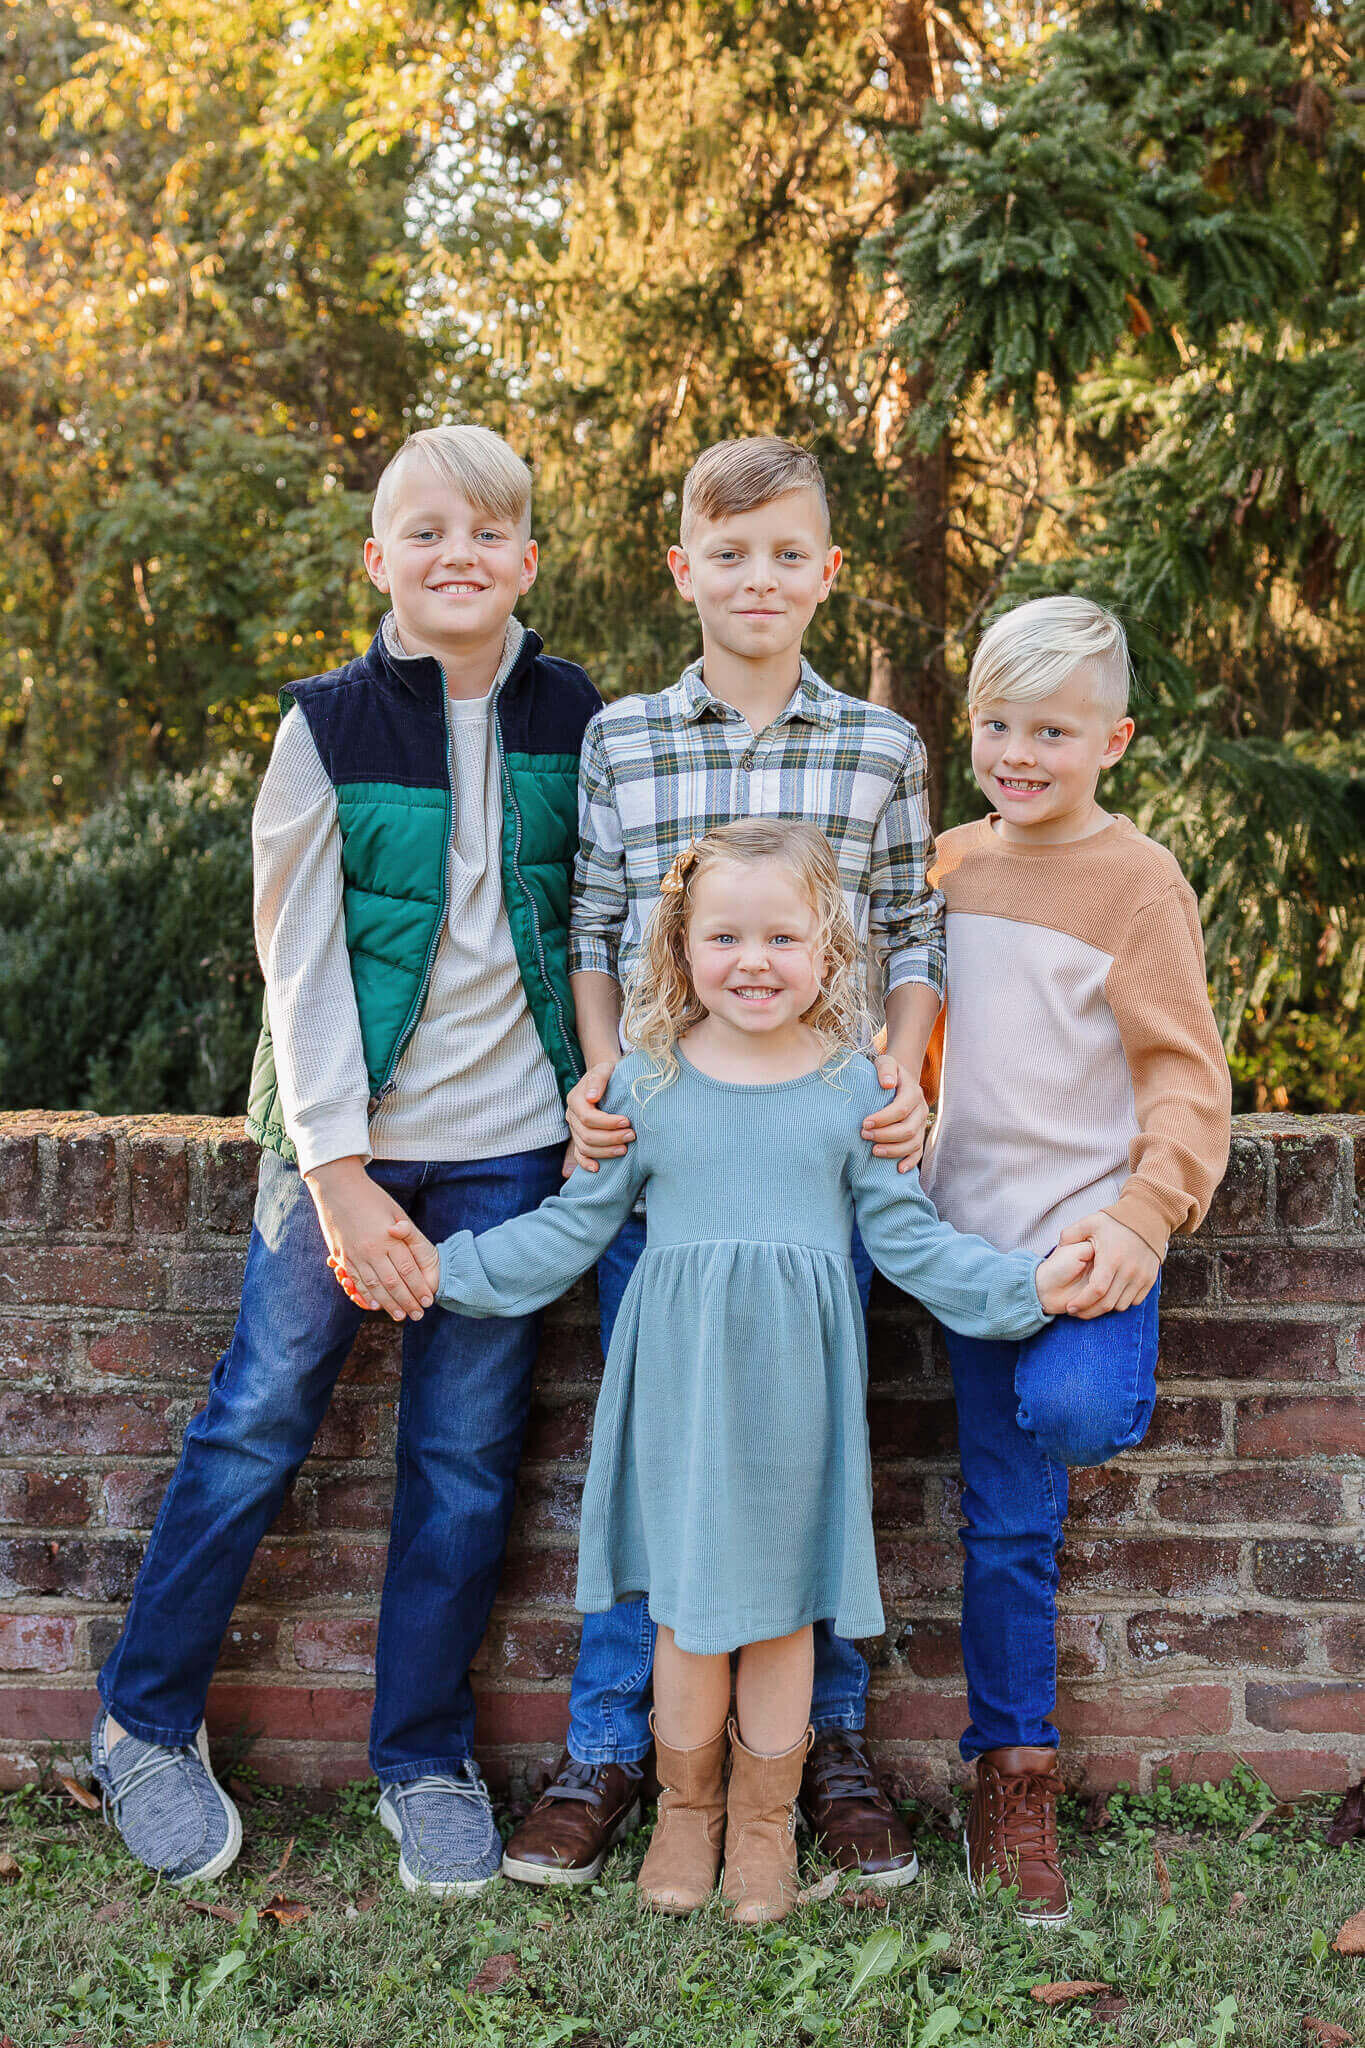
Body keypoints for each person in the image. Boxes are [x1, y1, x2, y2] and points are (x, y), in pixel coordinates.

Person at [346, 821, 1095, 1923]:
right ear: (680, 950)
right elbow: (564, 1233)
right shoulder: (644, 1087)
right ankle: (688, 1813)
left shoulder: (856, 1092)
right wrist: (439, 1267)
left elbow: (917, 1244)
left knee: (787, 1615)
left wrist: (1036, 1284)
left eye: (782, 935)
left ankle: (760, 1823)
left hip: (799, 1395)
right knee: (687, 1614)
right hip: (680, 1394)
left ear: (829, 954)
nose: (755, 959)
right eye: (726, 936)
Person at [89, 425, 601, 1896]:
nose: (459, 555)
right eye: (426, 532)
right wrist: (338, 1178)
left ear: (525, 561)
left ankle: (423, 1755)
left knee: (461, 1458)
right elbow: (299, 970)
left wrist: (601, 1098)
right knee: (258, 1421)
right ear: (378, 560)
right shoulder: (325, 724)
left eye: (489, 532)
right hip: (342, 1149)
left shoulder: (577, 716)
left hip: (510, 1155)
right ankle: (140, 1723)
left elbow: (602, 928)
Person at [508, 434, 948, 1891]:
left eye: (786, 554)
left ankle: (817, 1759)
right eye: (729, 552)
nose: (757, 579)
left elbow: (914, 936)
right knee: (656, 1466)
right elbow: (590, 928)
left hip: (818, 1165)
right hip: (665, 1145)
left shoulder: (880, 747)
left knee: (803, 1461)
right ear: (681, 566)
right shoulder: (624, 737)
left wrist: (907, 1073)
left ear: (828, 573)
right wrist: (598, 1074)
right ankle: (614, 1751)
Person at [919, 595, 1233, 1925]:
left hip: (1086, 1241)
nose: (1019, 752)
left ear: (1114, 738)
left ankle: (1015, 1767)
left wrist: (1143, 1217)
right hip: (960, 1252)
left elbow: (1184, 1079)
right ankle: (1012, 1770)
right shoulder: (941, 868)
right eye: (997, 724)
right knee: (1003, 1524)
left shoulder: (1136, 880)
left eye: (1051, 729)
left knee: (1074, 1410)